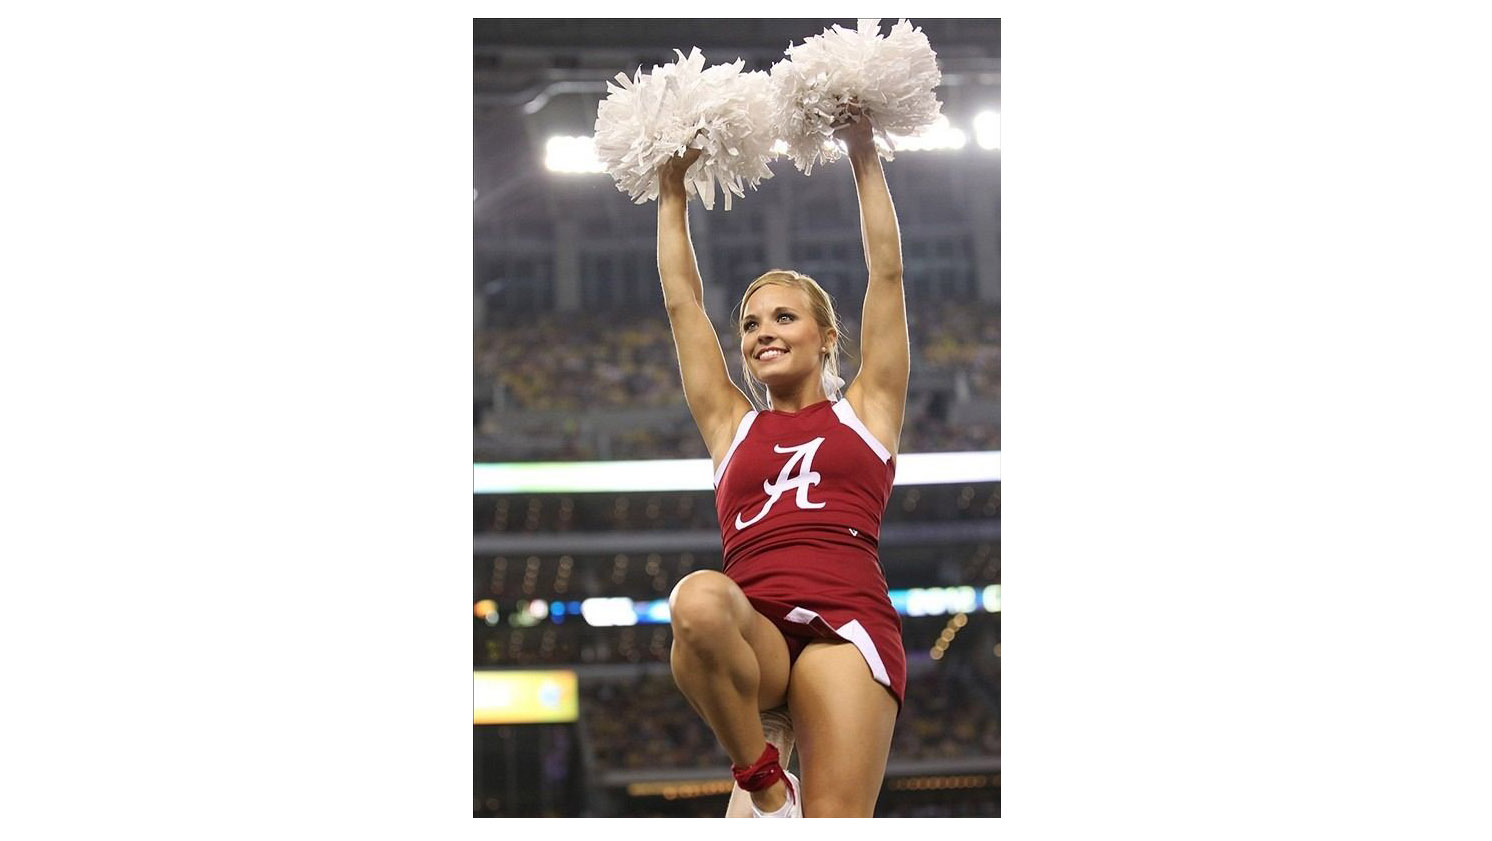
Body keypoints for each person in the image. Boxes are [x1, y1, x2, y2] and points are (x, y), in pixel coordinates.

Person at [655, 109, 909, 819]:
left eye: (784, 317)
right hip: (754, 634)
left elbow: (886, 271)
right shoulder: (731, 424)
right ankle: (768, 783)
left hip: (845, 627)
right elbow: (682, 304)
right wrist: (670, 188)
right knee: (696, 602)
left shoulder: (869, 408)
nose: (763, 332)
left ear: (827, 336)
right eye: (751, 323)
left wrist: (862, 151)